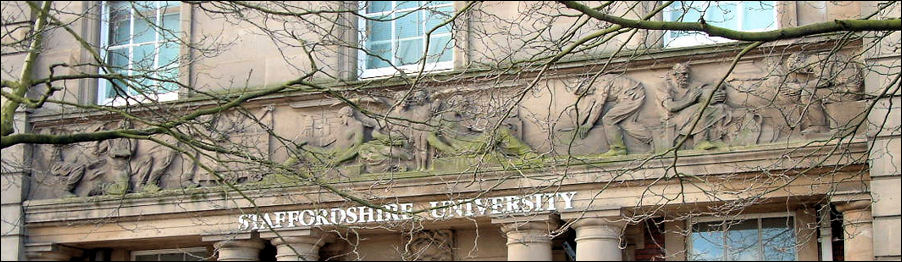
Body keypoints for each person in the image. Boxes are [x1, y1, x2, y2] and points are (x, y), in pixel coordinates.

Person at [659, 63, 733, 150]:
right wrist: (689, 100)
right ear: (674, 74)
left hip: (692, 114)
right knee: (701, 108)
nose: (686, 77)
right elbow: (671, 107)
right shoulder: (664, 87)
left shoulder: (695, 85)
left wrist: (717, 96)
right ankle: (700, 141)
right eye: (683, 74)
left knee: (721, 107)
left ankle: (715, 138)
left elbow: (706, 95)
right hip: (674, 119)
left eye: (687, 74)